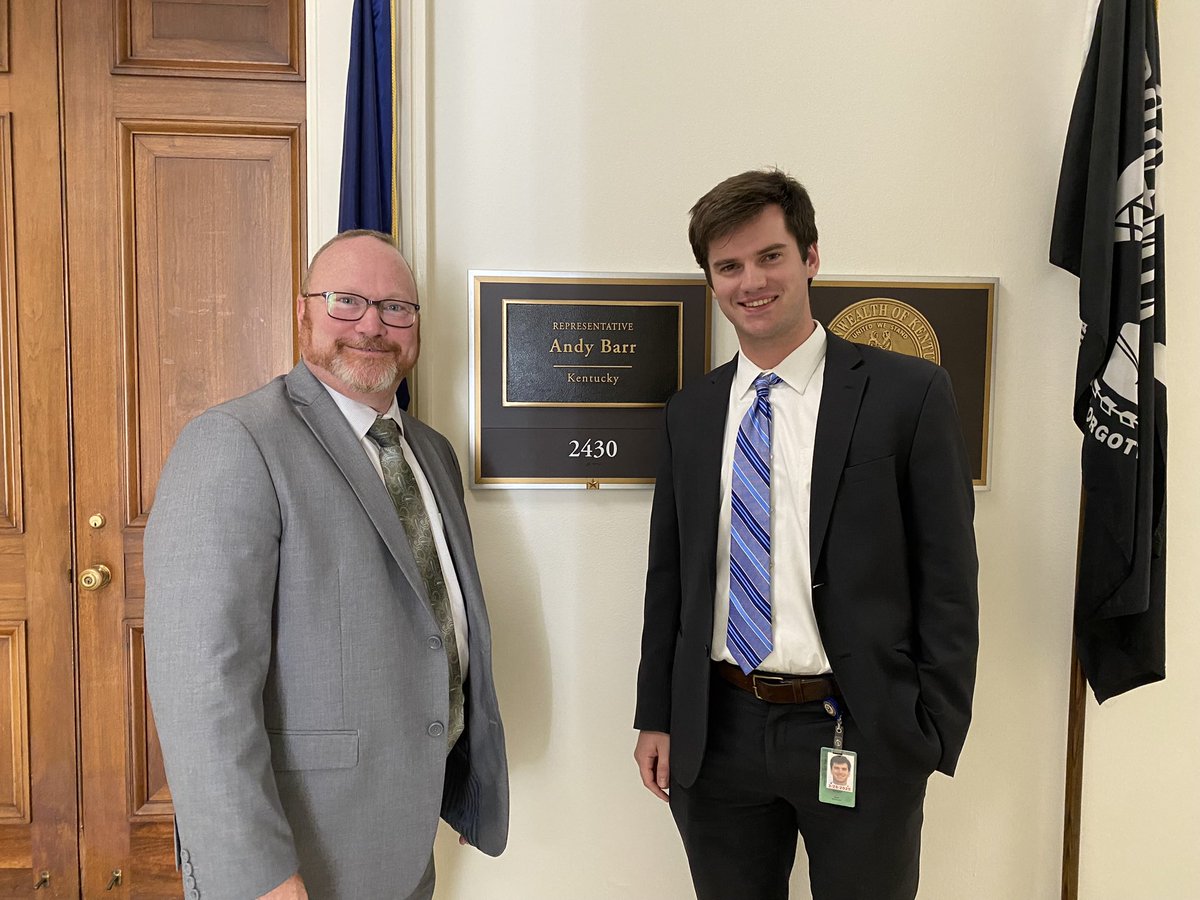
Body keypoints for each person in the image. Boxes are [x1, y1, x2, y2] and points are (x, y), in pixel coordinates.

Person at [633, 169, 978, 899]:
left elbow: (948, 576)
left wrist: (931, 731)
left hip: (857, 727)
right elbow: (672, 579)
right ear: (711, 280)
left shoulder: (906, 395)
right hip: (718, 732)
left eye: (769, 256)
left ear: (811, 256)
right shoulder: (690, 414)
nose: (750, 281)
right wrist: (657, 716)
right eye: (728, 266)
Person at [145, 230, 508, 900]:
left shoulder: (431, 452)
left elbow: (436, 624)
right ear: (303, 312)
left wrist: (461, 769)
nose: (372, 325)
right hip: (300, 853)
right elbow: (200, 689)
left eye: (396, 308)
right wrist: (257, 874)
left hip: (404, 834)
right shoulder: (235, 442)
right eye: (346, 302)